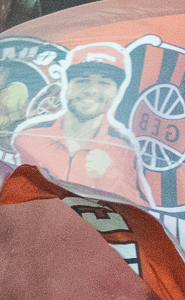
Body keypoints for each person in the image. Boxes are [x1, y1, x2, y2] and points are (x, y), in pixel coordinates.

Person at [10, 44, 140, 202]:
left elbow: (138, 213)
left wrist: (108, 176)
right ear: (67, 86)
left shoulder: (123, 148)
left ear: (117, 91)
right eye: (82, 80)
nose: (91, 90)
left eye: (104, 83)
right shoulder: (29, 137)